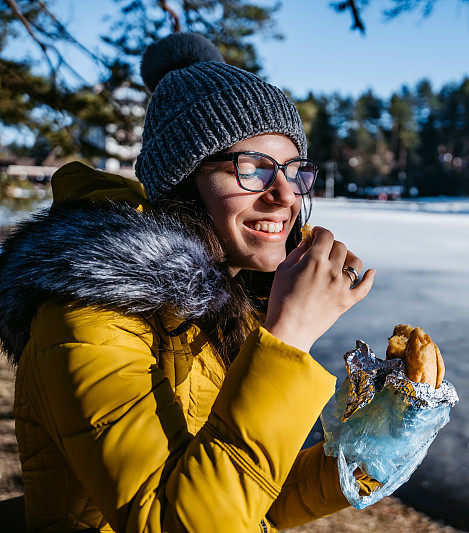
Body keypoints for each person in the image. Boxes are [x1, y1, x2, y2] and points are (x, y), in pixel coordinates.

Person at [0, 33, 405, 532]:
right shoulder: (89, 316)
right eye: (253, 170)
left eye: (295, 171)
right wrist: (288, 337)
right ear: (183, 181)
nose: (285, 196)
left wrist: (371, 452)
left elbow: (250, 499)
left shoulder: (228, 301)